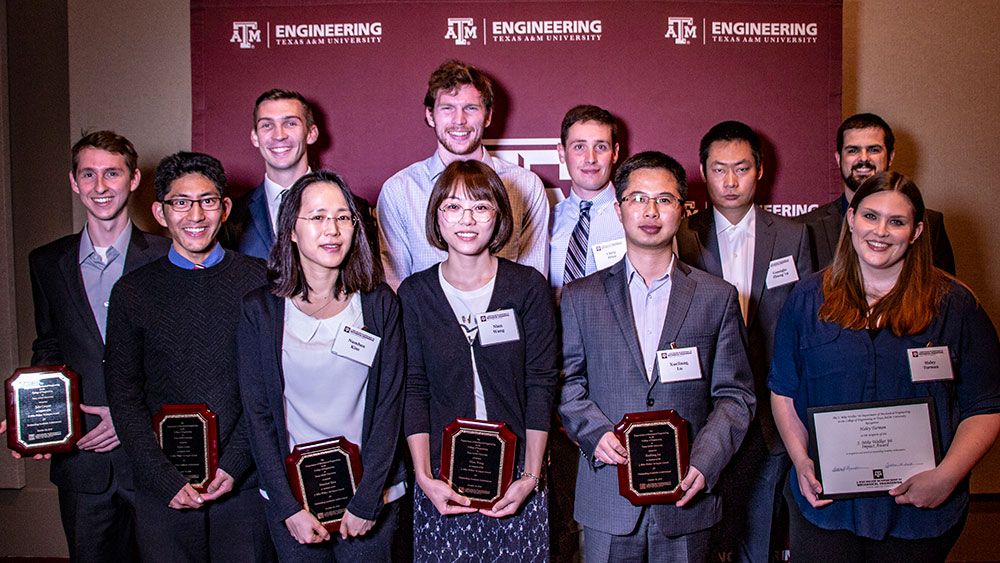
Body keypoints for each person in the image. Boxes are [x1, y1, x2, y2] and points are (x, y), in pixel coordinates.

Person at [769, 171, 1000, 562]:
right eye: (870, 216)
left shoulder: (955, 306)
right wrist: (800, 459)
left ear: (916, 231)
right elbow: (784, 390)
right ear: (851, 219)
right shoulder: (808, 299)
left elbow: (986, 406)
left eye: (897, 221)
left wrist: (946, 479)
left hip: (920, 512)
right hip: (827, 508)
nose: (880, 231)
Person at [559, 151, 756, 563]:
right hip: (608, 496)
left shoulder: (716, 297)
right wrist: (594, 435)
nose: (651, 211)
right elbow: (566, 382)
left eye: (664, 199)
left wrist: (706, 461)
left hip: (687, 499)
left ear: (682, 210)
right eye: (638, 199)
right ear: (618, 209)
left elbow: (735, 396)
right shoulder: (580, 297)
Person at [104, 152, 273, 563]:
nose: (195, 214)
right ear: (160, 212)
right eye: (181, 202)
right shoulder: (131, 292)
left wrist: (234, 465)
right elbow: (123, 395)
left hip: (244, 486)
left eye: (208, 200)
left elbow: (273, 385)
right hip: (164, 491)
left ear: (225, 208)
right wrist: (161, 478)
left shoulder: (261, 281)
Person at [238, 170, 406, 561]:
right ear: (291, 230)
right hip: (293, 500)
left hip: (371, 496)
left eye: (342, 217)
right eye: (316, 217)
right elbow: (258, 415)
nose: (331, 229)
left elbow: (389, 408)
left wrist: (367, 500)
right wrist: (286, 507)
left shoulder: (379, 304)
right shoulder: (260, 311)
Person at [398, 159, 558, 562]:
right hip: (442, 481)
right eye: (452, 207)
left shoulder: (528, 288)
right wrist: (423, 477)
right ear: (436, 216)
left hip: (516, 478)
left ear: (499, 215)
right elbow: (414, 387)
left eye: (481, 206)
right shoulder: (415, 294)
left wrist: (530, 477)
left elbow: (540, 383)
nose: (466, 219)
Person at [26, 131, 170, 562]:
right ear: (74, 182)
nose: (100, 186)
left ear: (133, 179)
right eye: (88, 175)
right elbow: (48, 345)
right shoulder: (47, 262)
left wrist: (129, 417)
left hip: (154, 459)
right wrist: (34, 413)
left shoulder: (169, 256)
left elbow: (179, 359)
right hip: (83, 459)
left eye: (112, 173)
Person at [676, 121, 812, 563]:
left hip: (772, 413)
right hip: (702, 413)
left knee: (759, 535)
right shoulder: (681, 235)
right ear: (702, 171)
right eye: (719, 169)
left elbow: (803, 324)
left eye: (741, 168)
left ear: (759, 170)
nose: (730, 181)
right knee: (700, 537)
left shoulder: (793, 236)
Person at [378, 60, 549, 289]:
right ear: (430, 115)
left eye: (471, 108)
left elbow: (533, 285)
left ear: (488, 116)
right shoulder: (399, 191)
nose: (459, 120)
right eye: (448, 108)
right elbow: (396, 288)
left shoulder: (526, 186)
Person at [226, 89, 376, 259]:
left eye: (290, 123)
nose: (279, 135)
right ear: (255, 137)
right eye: (267, 125)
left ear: (311, 134)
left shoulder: (354, 208)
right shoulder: (232, 215)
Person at [796, 113, 954, 273]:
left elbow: (945, 293)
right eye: (852, 150)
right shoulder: (805, 228)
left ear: (890, 157)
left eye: (873, 150)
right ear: (838, 159)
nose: (863, 158)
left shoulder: (930, 226)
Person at [549, 104, 625, 292]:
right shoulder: (546, 220)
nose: (590, 158)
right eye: (579, 147)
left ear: (614, 153)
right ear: (561, 152)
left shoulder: (633, 217)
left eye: (600, 147)